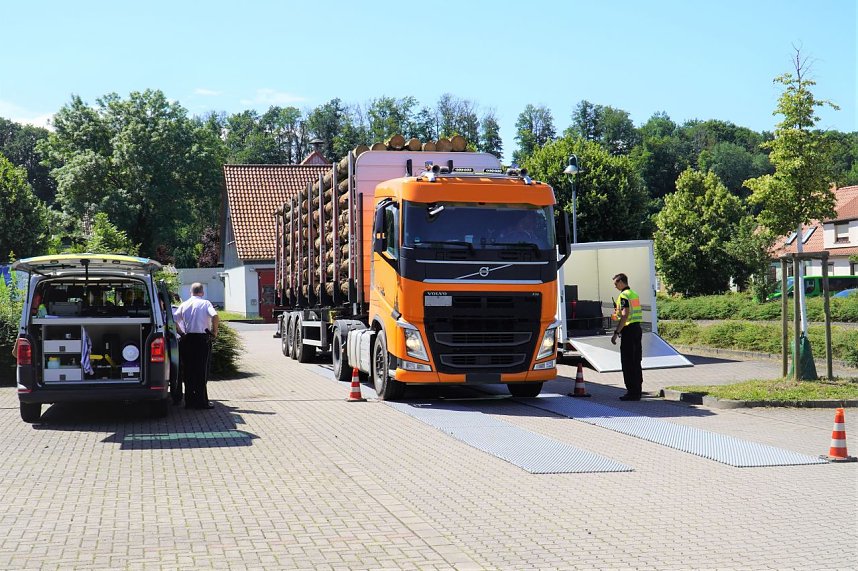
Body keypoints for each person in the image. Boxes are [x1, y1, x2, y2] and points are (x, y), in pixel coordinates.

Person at [174, 283, 219, 409]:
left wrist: (181, 333)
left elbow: (173, 320)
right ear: (202, 292)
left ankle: (189, 401)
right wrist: (214, 332)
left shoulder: (184, 304)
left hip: (187, 339)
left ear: (190, 292)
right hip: (201, 339)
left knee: (188, 370)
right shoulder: (205, 303)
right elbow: (215, 316)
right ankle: (201, 401)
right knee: (201, 370)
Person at [610, 273, 643, 401]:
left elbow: (625, 315)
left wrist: (616, 333)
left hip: (628, 330)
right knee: (636, 360)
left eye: (616, 284)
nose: (615, 286)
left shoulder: (623, 295)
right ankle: (637, 390)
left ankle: (631, 392)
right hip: (637, 329)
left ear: (621, 282)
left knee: (628, 362)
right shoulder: (633, 294)